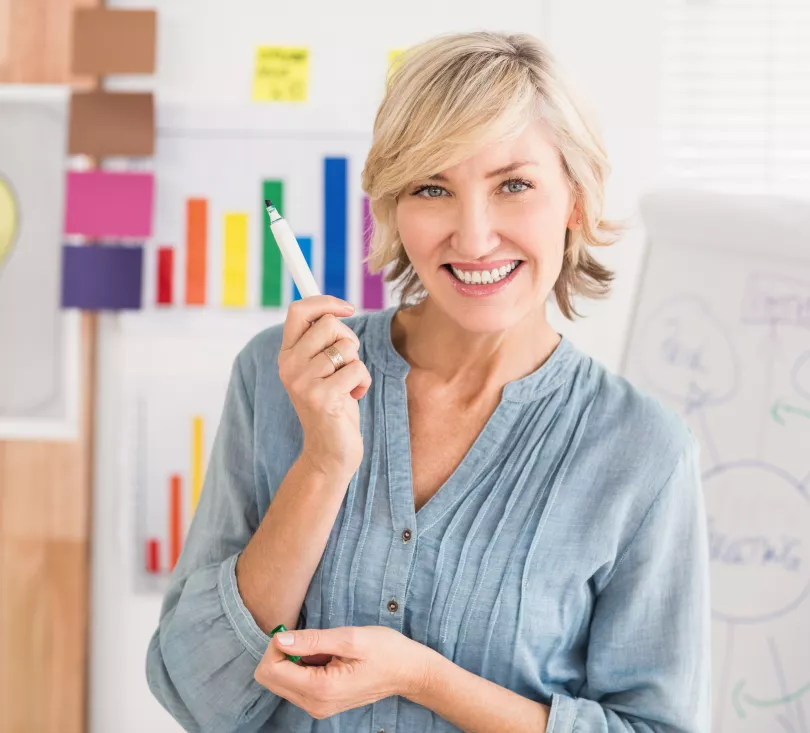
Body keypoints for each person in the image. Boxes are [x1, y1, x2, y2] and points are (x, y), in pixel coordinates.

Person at [146, 30, 710, 733]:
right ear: (392, 208)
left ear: (574, 197)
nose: (473, 238)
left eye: (514, 185)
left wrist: (425, 677)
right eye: (433, 187)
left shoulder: (643, 453)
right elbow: (196, 692)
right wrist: (323, 464)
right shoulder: (276, 375)